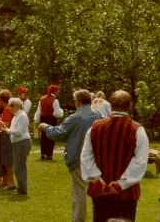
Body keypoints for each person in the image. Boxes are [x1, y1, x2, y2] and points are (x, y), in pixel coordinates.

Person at [81, 90, 148, 222]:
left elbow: (86, 156)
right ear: (130, 106)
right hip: (126, 193)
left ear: (110, 105)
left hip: (100, 191)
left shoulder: (95, 127)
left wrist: (96, 179)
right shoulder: (137, 129)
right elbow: (140, 162)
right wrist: (120, 184)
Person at [38, 89, 100, 222]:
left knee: (79, 193)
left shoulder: (75, 117)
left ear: (78, 102)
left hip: (78, 158)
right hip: (96, 160)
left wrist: (46, 127)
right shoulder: (98, 115)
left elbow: (58, 133)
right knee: (97, 193)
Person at [0, 98, 30, 195]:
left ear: (16, 106)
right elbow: (12, 130)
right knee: (18, 167)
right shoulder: (16, 116)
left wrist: (6, 130)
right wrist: (4, 128)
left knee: (19, 167)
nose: (9, 107)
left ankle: (22, 189)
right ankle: (21, 189)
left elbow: (18, 132)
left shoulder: (22, 116)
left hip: (22, 142)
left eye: (11, 105)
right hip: (17, 143)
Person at [35, 83, 64, 160]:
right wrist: (62, 112)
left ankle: (43, 154)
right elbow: (57, 113)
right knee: (51, 136)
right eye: (58, 91)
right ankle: (49, 154)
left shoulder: (42, 99)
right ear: (54, 91)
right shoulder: (55, 100)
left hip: (43, 119)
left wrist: (37, 120)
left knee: (43, 137)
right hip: (51, 119)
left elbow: (39, 110)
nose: (59, 92)